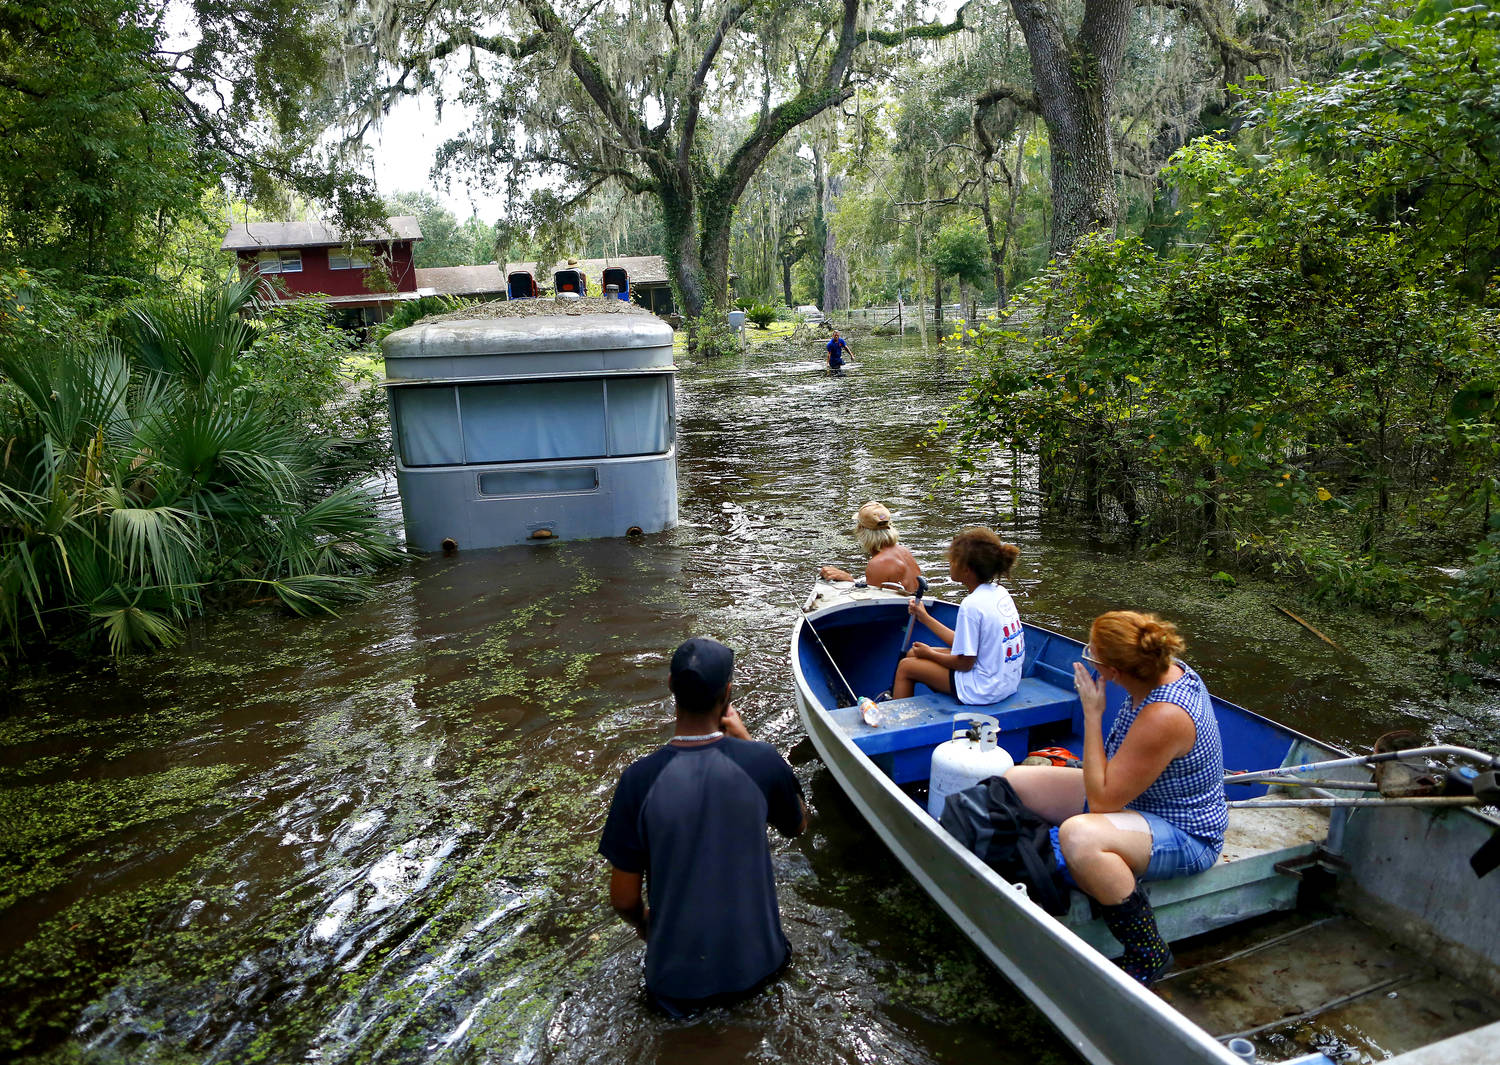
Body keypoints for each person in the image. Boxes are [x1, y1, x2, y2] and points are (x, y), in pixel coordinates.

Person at [1004, 611, 1226, 985]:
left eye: (1092, 653)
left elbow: (1103, 800)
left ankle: (1148, 951)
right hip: (1137, 801)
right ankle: (1090, 874)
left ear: (1113, 672)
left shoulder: (1164, 715)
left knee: (1078, 835)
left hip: (1186, 832)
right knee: (1014, 781)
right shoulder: (1165, 669)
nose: (1088, 655)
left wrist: (1092, 714)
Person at [598, 637, 810, 1017]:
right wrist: (748, 741)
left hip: (676, 988)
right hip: (760, 968)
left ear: (670, 687)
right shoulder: (759, 761)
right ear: (728, 692)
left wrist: (646, 924)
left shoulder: (638, 780)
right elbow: (798, 823)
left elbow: (624, 898)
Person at [887, 527, 1023, 703]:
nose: (949, 564)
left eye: (953, 561)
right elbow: (965, 645)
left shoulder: (972, 605)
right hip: (1006, 682)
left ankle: (898, 723)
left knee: (906, 667)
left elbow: (964, 664)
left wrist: (930, 654)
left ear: (966, 570)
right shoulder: (999, 592)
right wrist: (925, 618)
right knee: (913, 653)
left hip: (984, 689)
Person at [819, 501, 925, 594]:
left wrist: (849, 581)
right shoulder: (904, 551)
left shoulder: (878, 563)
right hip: (912, 610)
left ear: (860, 530)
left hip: (896, 614)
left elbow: (871, 603)